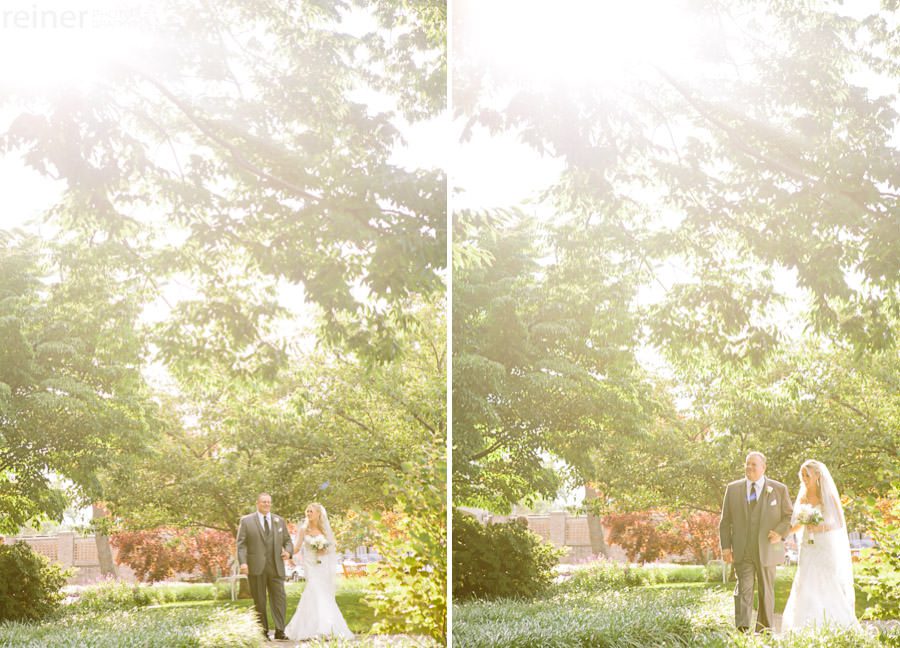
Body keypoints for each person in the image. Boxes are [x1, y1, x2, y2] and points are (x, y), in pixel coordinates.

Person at [781, 460, 860, 633]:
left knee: (827, 583)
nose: (804, 478)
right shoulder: (802, 497)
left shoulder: (828, 497)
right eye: (802, 475)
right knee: (806, 583)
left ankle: (838, 625)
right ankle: (805, 627)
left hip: (825, 546)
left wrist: (820, 527)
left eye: (807, 475)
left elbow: (839, 523)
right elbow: (797, 524)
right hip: (808, 548)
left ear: (817, 475)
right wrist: (782, 535)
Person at [719, 451, 793, 632]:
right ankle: (742, 630)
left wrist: (780, 533)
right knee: (744, 589)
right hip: (743, 549)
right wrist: (726, 547)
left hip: (768, 549)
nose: (749, 467)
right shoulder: (733, 488)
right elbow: (725, 521)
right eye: (747, 464)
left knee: (766, 590)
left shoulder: (778, 489)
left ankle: (765, 630)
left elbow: (789, 516)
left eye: (754, 464)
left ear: (763, 467)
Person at [284, 503, 354, 640]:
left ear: (318, 514)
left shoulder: (324, 529)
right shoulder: (303, 529)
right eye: (307, 511)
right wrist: (288, 554)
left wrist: (323, 549)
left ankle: (327, 628)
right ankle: (314, 629)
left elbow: (331, 547)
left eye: (311, 511)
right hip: (311, 565)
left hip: (323, 565)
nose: (308, 513)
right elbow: (297, 547)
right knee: (314, 590)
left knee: (323, 594)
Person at [236, 493, 293, 640]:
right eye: (263, 502)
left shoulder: (279, 521)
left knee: (280, 599)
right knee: (259, 600)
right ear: (257, 503)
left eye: (269, 502)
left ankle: (280, 631)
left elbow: (287, 540)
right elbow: (241, 544)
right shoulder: (247, 521)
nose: (267, 504)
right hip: (256, 567)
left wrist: (288, 552)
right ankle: (263, 632)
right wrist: (243, 562)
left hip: (276, 566)